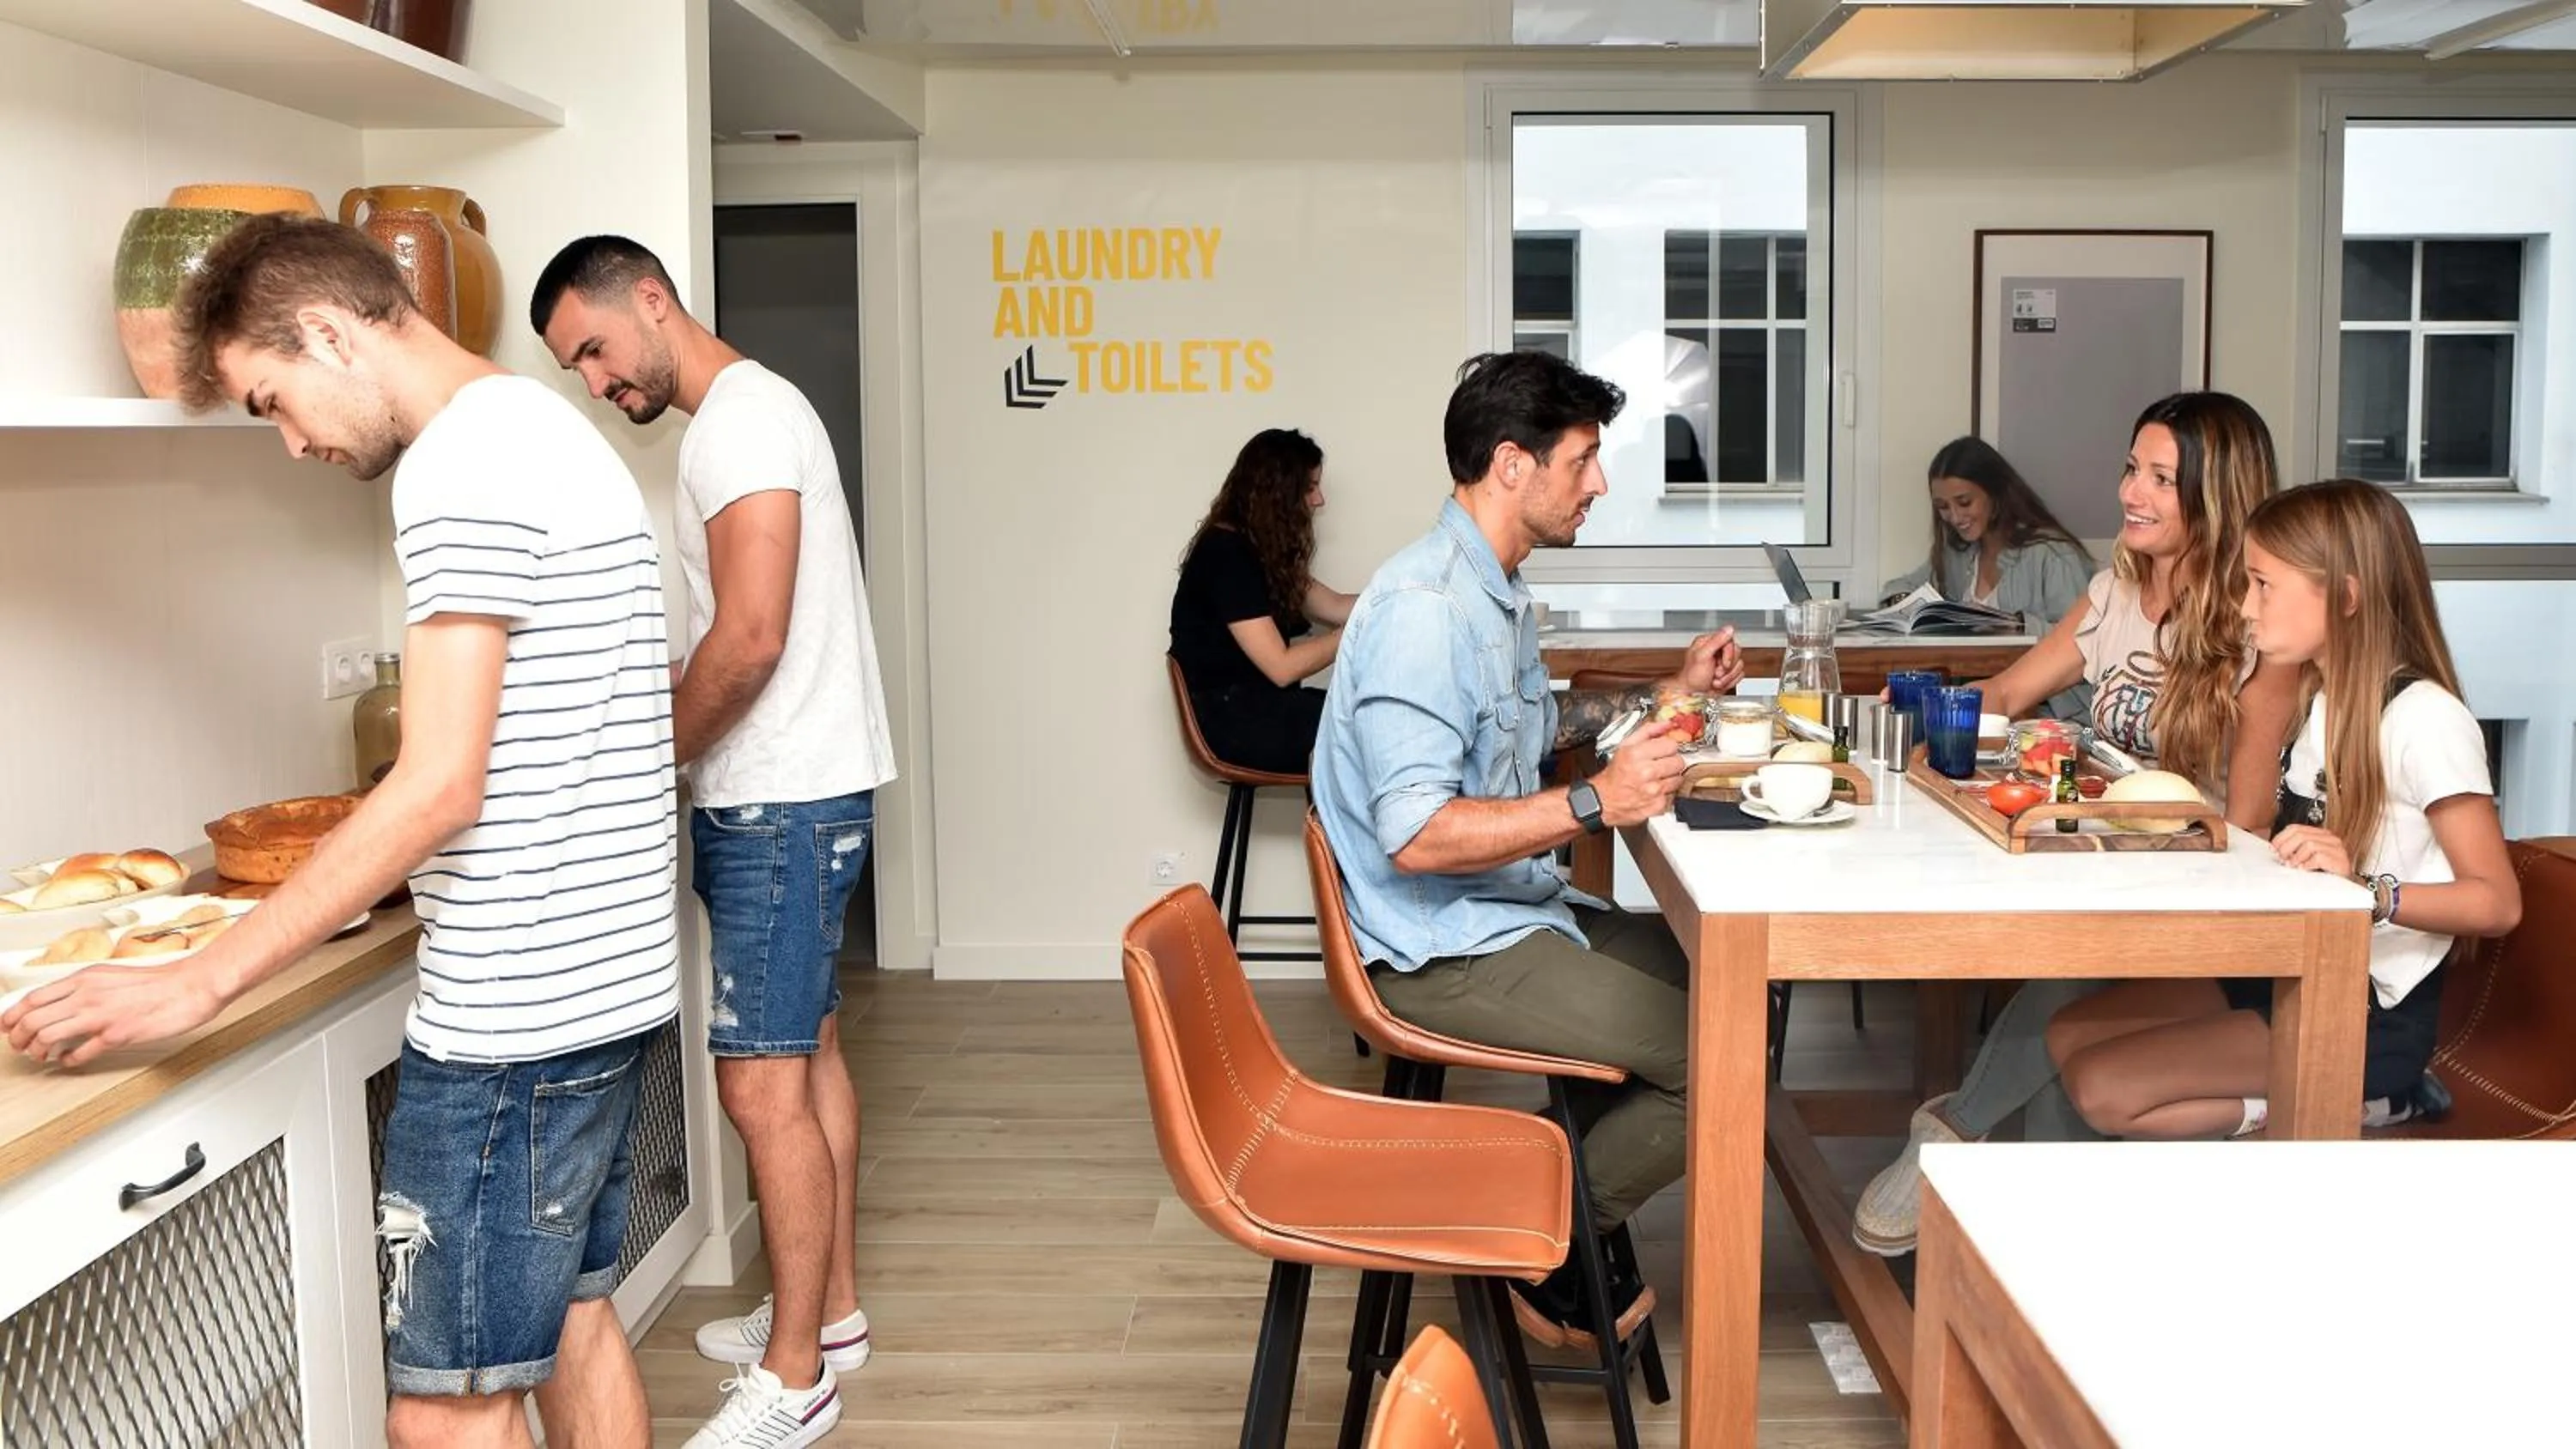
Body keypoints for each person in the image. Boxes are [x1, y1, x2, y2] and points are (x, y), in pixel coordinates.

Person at [2, 215, 680, 1449]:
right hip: (606, 996)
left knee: (441, 1413)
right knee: (574, 1319)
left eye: (272, 400)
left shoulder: (458, 464)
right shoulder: (543, 428)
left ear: (326, 332)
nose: (293, 441)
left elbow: (437, 787)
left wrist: (197, 980)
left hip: (511, 1027)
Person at [534, 235, 893, 1449]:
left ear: (652, 300)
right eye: (576, 370)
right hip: (800, 788)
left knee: (758, 1084)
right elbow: (734, 633)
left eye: (595, 349)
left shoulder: (736, 424)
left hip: (778, 800)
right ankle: (827, 1314)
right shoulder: (752, 413)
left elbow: (750, 637)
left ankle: (797, 1380)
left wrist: (651, 763)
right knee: (810, 1054)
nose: (597, 382)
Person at [1310, 349, 1744, 1350]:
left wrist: (1670, 693)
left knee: (1730, 986)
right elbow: (1417, 834)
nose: (1600, 482)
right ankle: (1541, 1236)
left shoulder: (1491, 590)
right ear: (1513, 464)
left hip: (1503, 906)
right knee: (1717, 1057)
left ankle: (1545, 1184)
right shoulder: (1426, 612)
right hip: (1437, 944)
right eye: (1583, 459)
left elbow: (1536, 725)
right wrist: (1596, 801)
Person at [1850, 391, 2302, 1257]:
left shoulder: (2257, 624)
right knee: (2060, 999)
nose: (2132, 491)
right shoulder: (2113, 592)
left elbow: (2244, 828)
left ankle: (1953, 1135)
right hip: (2107, 863)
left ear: (2216, 495)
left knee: (2068, 983)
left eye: (2162, 478)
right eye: (2133, 468)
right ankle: (2030, 1247)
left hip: (2207, 900)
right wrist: (1916, 729)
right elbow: (2010, 689)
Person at [2047, 480, 2521, 1137]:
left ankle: (2343, 1105)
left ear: (2346, 597)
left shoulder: (2426, 720)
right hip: (2290, 967)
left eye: (2264, 586)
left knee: (2104, 1088)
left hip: (2366, 1011)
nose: (2246, 607)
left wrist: (2367, 891)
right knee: (2067, 1033)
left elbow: (2497, 903)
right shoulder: (2319, 702)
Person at [1168, 427, 1355, 774]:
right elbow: (1282, 668)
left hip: (1258, 707)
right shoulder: (1227, 555)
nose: (1319, 500)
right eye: (1310, 488)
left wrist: (1400, 596)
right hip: (1233, 721)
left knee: (1369, 715)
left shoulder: (1260, 552)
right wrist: (1352, 634)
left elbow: (1336, 605)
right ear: (1280, 493)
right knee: (1372, 730)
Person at [1880, 436, 2095, 719]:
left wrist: (2015, 625)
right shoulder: (1957, 554)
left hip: (2051, 714)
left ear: (1995, 495)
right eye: (1943, 506)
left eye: (1964, 502)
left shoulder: (2053, 555)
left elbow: (2085, 641)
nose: (1955, 517)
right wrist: (1906, 603)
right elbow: (1900, 586)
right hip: (1976, 707)